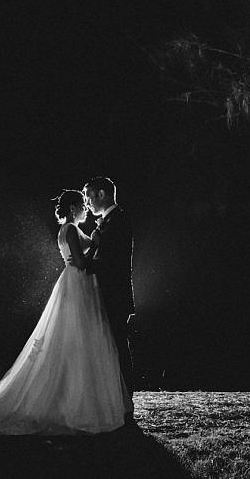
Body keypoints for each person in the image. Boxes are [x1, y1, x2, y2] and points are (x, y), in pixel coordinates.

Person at [0, 190, 127, 434]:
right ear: (72, 208)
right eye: (82, 204)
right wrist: (96, 244)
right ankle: (76, 401)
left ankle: (74, 396)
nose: (86, 208)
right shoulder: (70, 229)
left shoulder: (68, 229)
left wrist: (93, 242)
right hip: (78, 283)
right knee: (78, 337)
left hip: (76, 283)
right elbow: (80, 263)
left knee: (73, 339)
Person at [82, 175, 135, 425]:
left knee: (118, 346)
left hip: (114, 295)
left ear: (101, 194)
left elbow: (111, 262)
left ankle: (125, 403)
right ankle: (114, 401)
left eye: (89, 196)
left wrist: (82, 265)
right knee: (111, 347)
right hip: (107, 294)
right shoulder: (110, 221)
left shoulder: (118, 221)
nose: (87, 203)